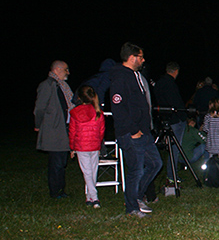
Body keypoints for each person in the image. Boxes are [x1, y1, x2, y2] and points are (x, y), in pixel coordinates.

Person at [109, 42, 163, 217]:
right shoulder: (120, 77)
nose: (143, 60)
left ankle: (137, 196)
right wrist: (132, 130)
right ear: (132, 58)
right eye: (140, 56)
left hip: (143, 132)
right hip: (131, 133)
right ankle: (131, 208)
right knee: (136, 170)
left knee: (156, 163)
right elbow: (119, 106)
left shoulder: (135, 75)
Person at [34, 60, 74, 198]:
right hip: (54, 130)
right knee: (57, 163)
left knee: (61, 162)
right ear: (57, 69)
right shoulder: (47, 85)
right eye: (66, 69)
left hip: (63, 130)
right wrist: (38, 125)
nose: (68, 72)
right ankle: (56, 192)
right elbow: (39, 109)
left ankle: (60, 190)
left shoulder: (62, 86)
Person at [69, 85, 106, 208]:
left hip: (81, 146)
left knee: (88, 172)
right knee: (92, 171)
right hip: (94, 146)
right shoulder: (98, 112)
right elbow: (101, 131)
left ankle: (94, 198)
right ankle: (89, 197)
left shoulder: (75, 113)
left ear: (79, 98)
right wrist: (98, 143)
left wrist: (72, 147)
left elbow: (72, 132)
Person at [153, 62, 187, 184]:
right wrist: (183, 117)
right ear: (176, 71)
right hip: (175, 120)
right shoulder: (170, 84)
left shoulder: (159, 83)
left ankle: (171, 174)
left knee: (171, 149)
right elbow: (176, 102)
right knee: (175, 149)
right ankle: (172, 175)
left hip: (165, 118)